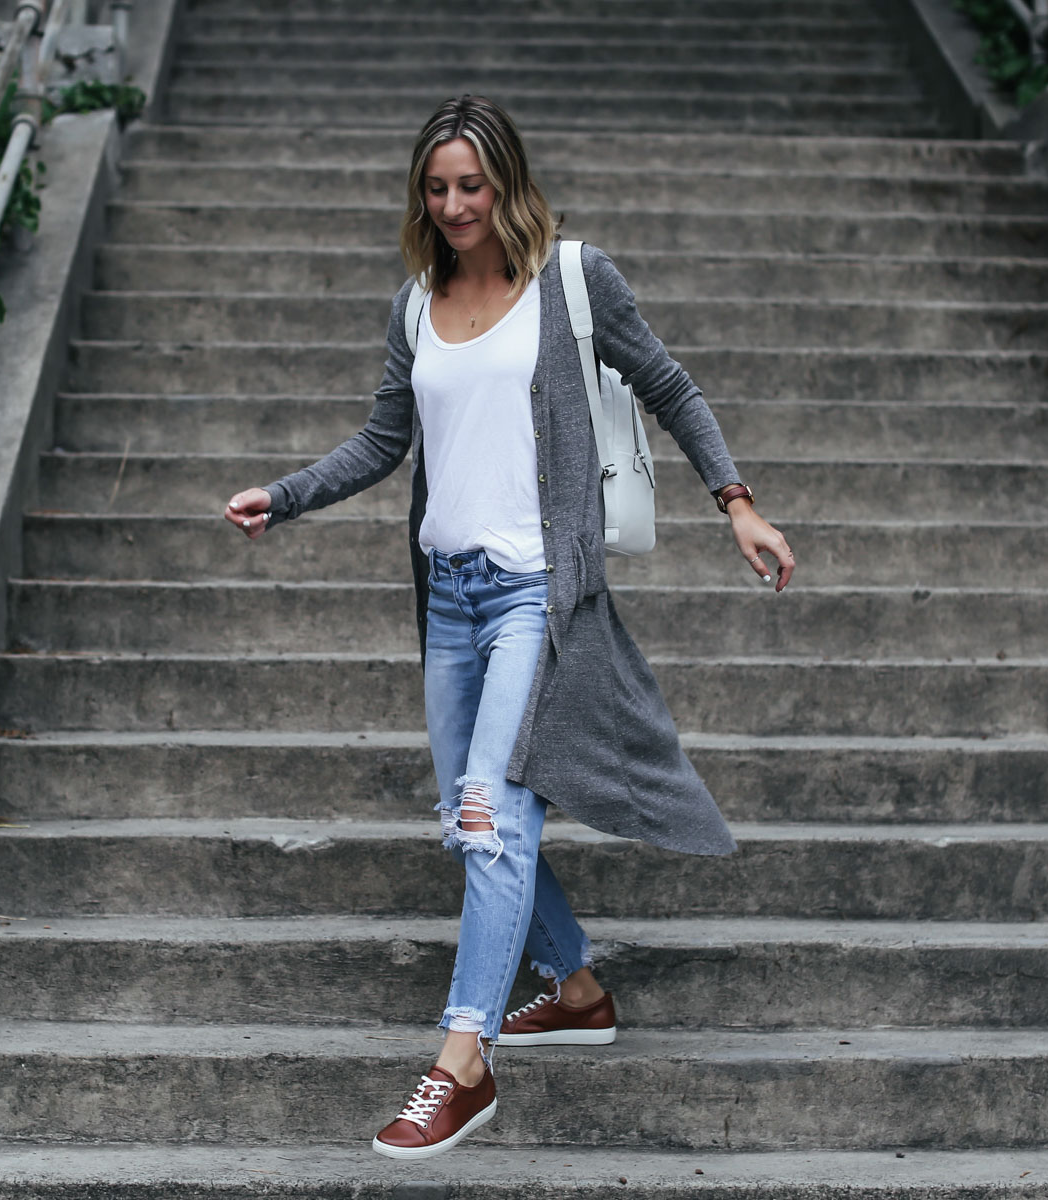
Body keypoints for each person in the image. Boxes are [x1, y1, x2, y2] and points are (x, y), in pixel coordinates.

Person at [222, 95, 795, 1160]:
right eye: (436, 188)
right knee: (464, 817)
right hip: (451, 598)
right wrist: (287, 493)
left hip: (537, 594)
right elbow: (385, 439)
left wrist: (737, 501)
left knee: (489, 815)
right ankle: (574, 986)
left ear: (508, 183)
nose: (453, 206)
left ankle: (462, 1062)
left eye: (471, 186)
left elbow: (669, 385)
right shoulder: (415, 303)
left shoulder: (572, 282)